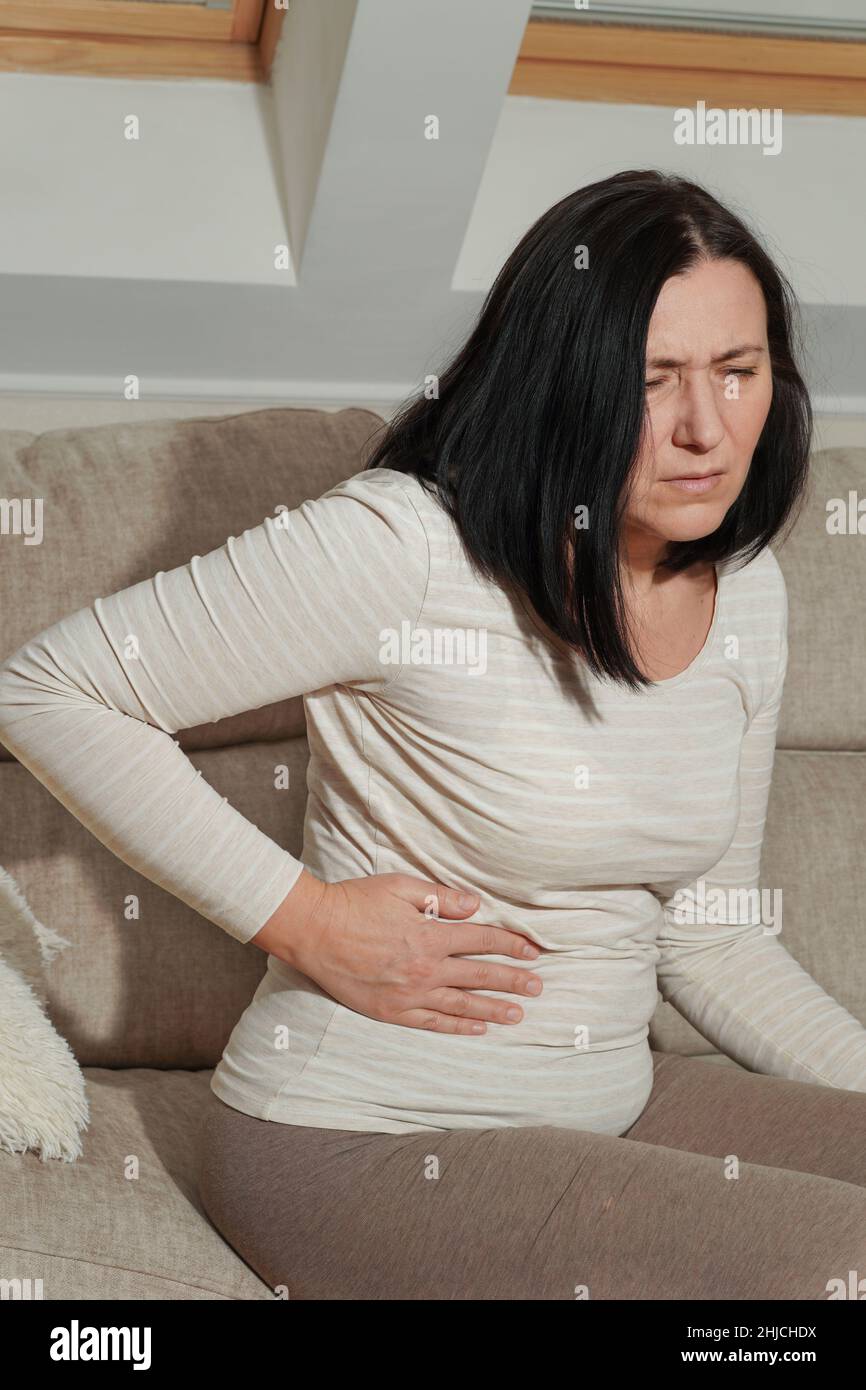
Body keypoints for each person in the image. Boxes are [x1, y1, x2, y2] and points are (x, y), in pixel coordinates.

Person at [1, 170, 865, 1301]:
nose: (705, 428)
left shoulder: (745, 591)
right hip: (354, 1140)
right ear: (563, 385)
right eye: (650, 382)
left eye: (736, 373)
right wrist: (306, 921)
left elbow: (706, 937)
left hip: (615, 1105)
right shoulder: (404, 549)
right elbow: (49, 689)